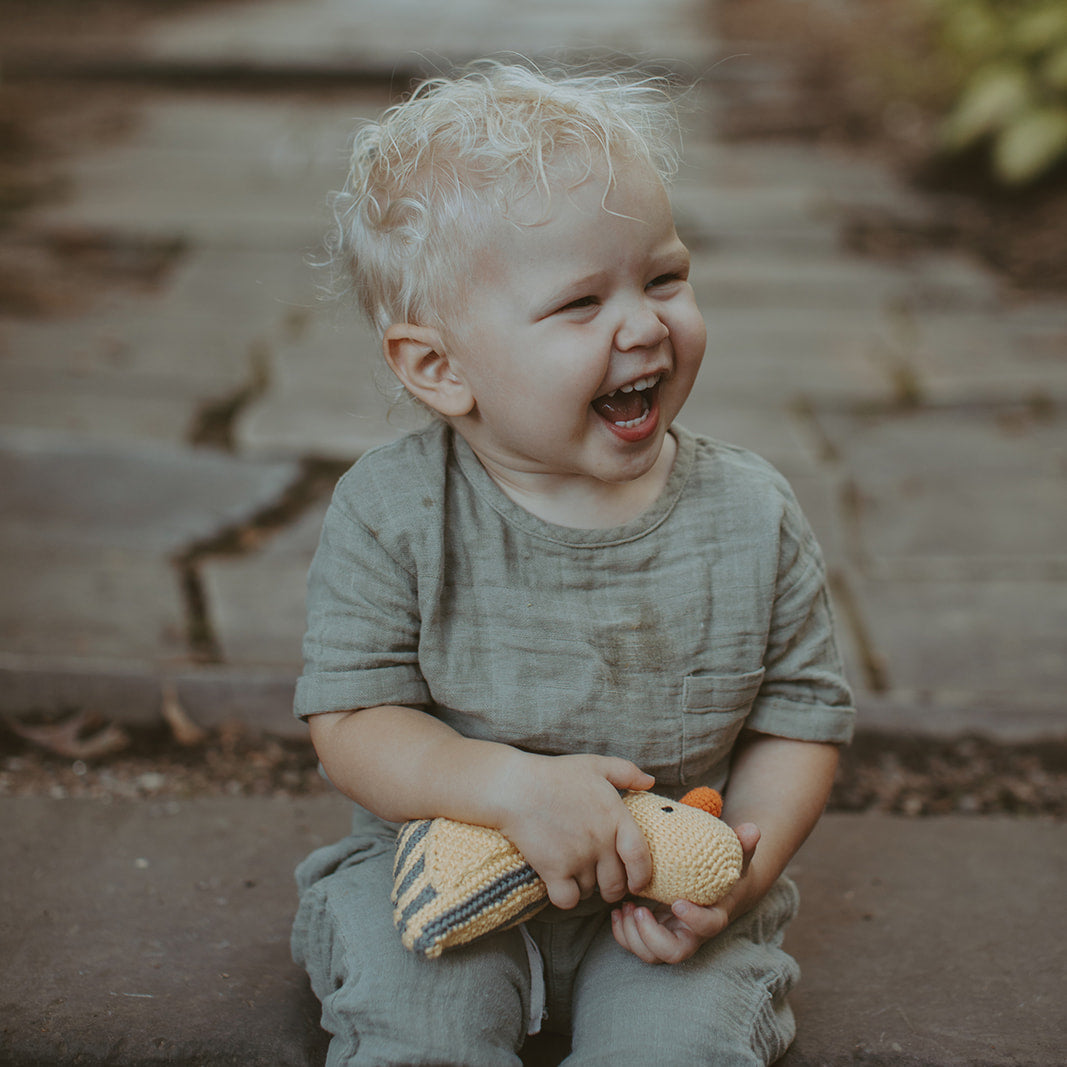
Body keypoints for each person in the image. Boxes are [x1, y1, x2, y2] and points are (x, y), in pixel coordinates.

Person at [291, 61, 854, 1066]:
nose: (641, 324)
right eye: (580, 303)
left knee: (678, 1043)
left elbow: (797, 715)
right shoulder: (393, 513)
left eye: (663, 277)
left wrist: (738, 869)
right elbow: (351, 721)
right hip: (438, 870)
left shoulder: (750, 511)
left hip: (654, 890)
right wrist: (504, 787)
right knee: (417, 1028)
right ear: (439, 367)